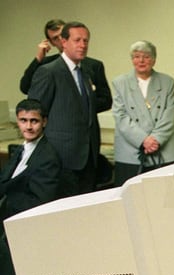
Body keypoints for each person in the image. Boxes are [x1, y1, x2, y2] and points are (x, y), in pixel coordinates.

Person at [28, 21, 111, 197]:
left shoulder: (86, 72)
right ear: (63, 42)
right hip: (61, 160)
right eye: (77, 40)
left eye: (86, 41)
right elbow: (34, 113)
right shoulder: (49, 72)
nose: (83, 45)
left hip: (88, 159)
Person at [0, 99, 60, 275]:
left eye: (34, 121)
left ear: (44, 122)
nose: (28, 126)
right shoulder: (22, 149)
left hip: (22, 222)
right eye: (23, 120)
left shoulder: (47, 156)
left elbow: (40, 201)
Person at [111, 40, 174, 186]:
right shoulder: (119, 83)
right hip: (131, 153)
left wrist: (155, 139)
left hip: (164, 151)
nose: (141, 61)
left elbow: (169, 114)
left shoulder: (167, 82)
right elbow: (120, 116)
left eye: (146, 56)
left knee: (165, 200)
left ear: (154, 59)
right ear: (132, 59)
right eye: (136, 56)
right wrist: (143, 140)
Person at [20, 19, 112, 114]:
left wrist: (81, 105)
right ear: (51, 43)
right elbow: (25, 88)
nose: (60, 40)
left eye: (62, 34)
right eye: (55, 38)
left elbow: (106, 101)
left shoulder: (94, 65)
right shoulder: (46, 66)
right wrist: (38, 58)